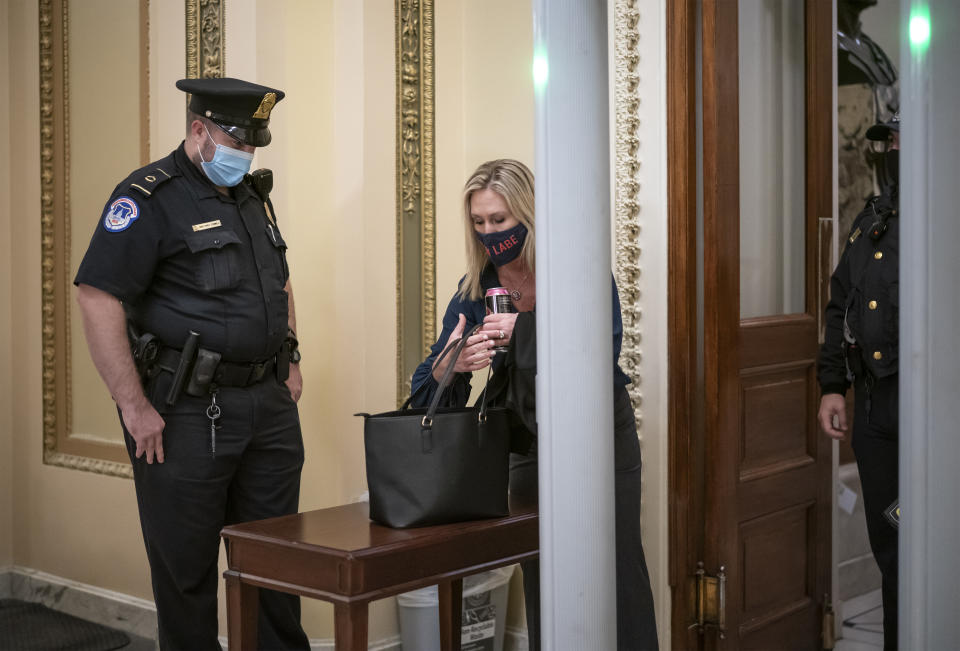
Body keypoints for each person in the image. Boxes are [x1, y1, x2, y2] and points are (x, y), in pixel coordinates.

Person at [74, 77, 308, 650]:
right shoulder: (148, 198)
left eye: (254, 144)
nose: (246, 154)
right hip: (185, 413)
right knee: (187, 576)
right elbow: (96, 294)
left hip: (268, 407)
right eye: (237, 142)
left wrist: (291, 357)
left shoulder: (251, 196)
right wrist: (133, 407)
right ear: (199, 130)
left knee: (277, 566)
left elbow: (278, 279)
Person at [409, 159, 659, 650]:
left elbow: (601, 346)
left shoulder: (577, 266)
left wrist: (522, 332)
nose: (489, 233)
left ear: (527, 213)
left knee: (616, 565)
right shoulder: (474, 289)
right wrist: (453, 365)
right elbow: (425, 388)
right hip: (524, 442)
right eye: (479, 223)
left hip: (597, 436)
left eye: (499, 221)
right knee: (542, 566)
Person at [818, 113, 899, 650]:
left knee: (926, 540)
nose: (890, 149)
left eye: (898, 140)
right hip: (874, 414)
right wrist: (832, 384)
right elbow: (838, 302)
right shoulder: (869, 221)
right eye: (887, 141)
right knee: (892, 540)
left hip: (929, 410)